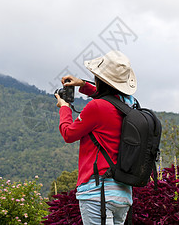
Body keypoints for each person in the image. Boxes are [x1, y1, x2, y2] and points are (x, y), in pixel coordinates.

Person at [55, 50, 137, 225]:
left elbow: (69, 134)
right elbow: (110, 98)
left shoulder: (97, 107)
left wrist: (64, 107)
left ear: (100, 78)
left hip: (97, 193)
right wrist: (83, 84)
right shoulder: (130, 104)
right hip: (123, 194)